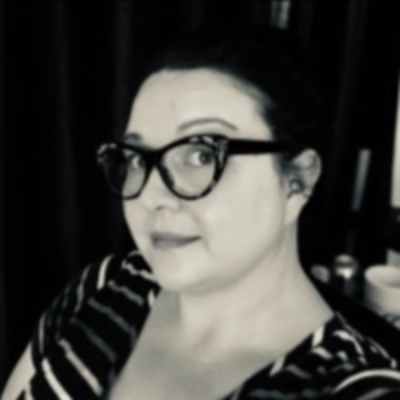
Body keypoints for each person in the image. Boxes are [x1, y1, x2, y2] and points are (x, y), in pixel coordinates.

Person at [3, 26, 400, 400]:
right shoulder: (103, 287)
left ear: (297, 181)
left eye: (202, 155)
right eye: (137, 158)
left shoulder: (355, 389)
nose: (152, 195)